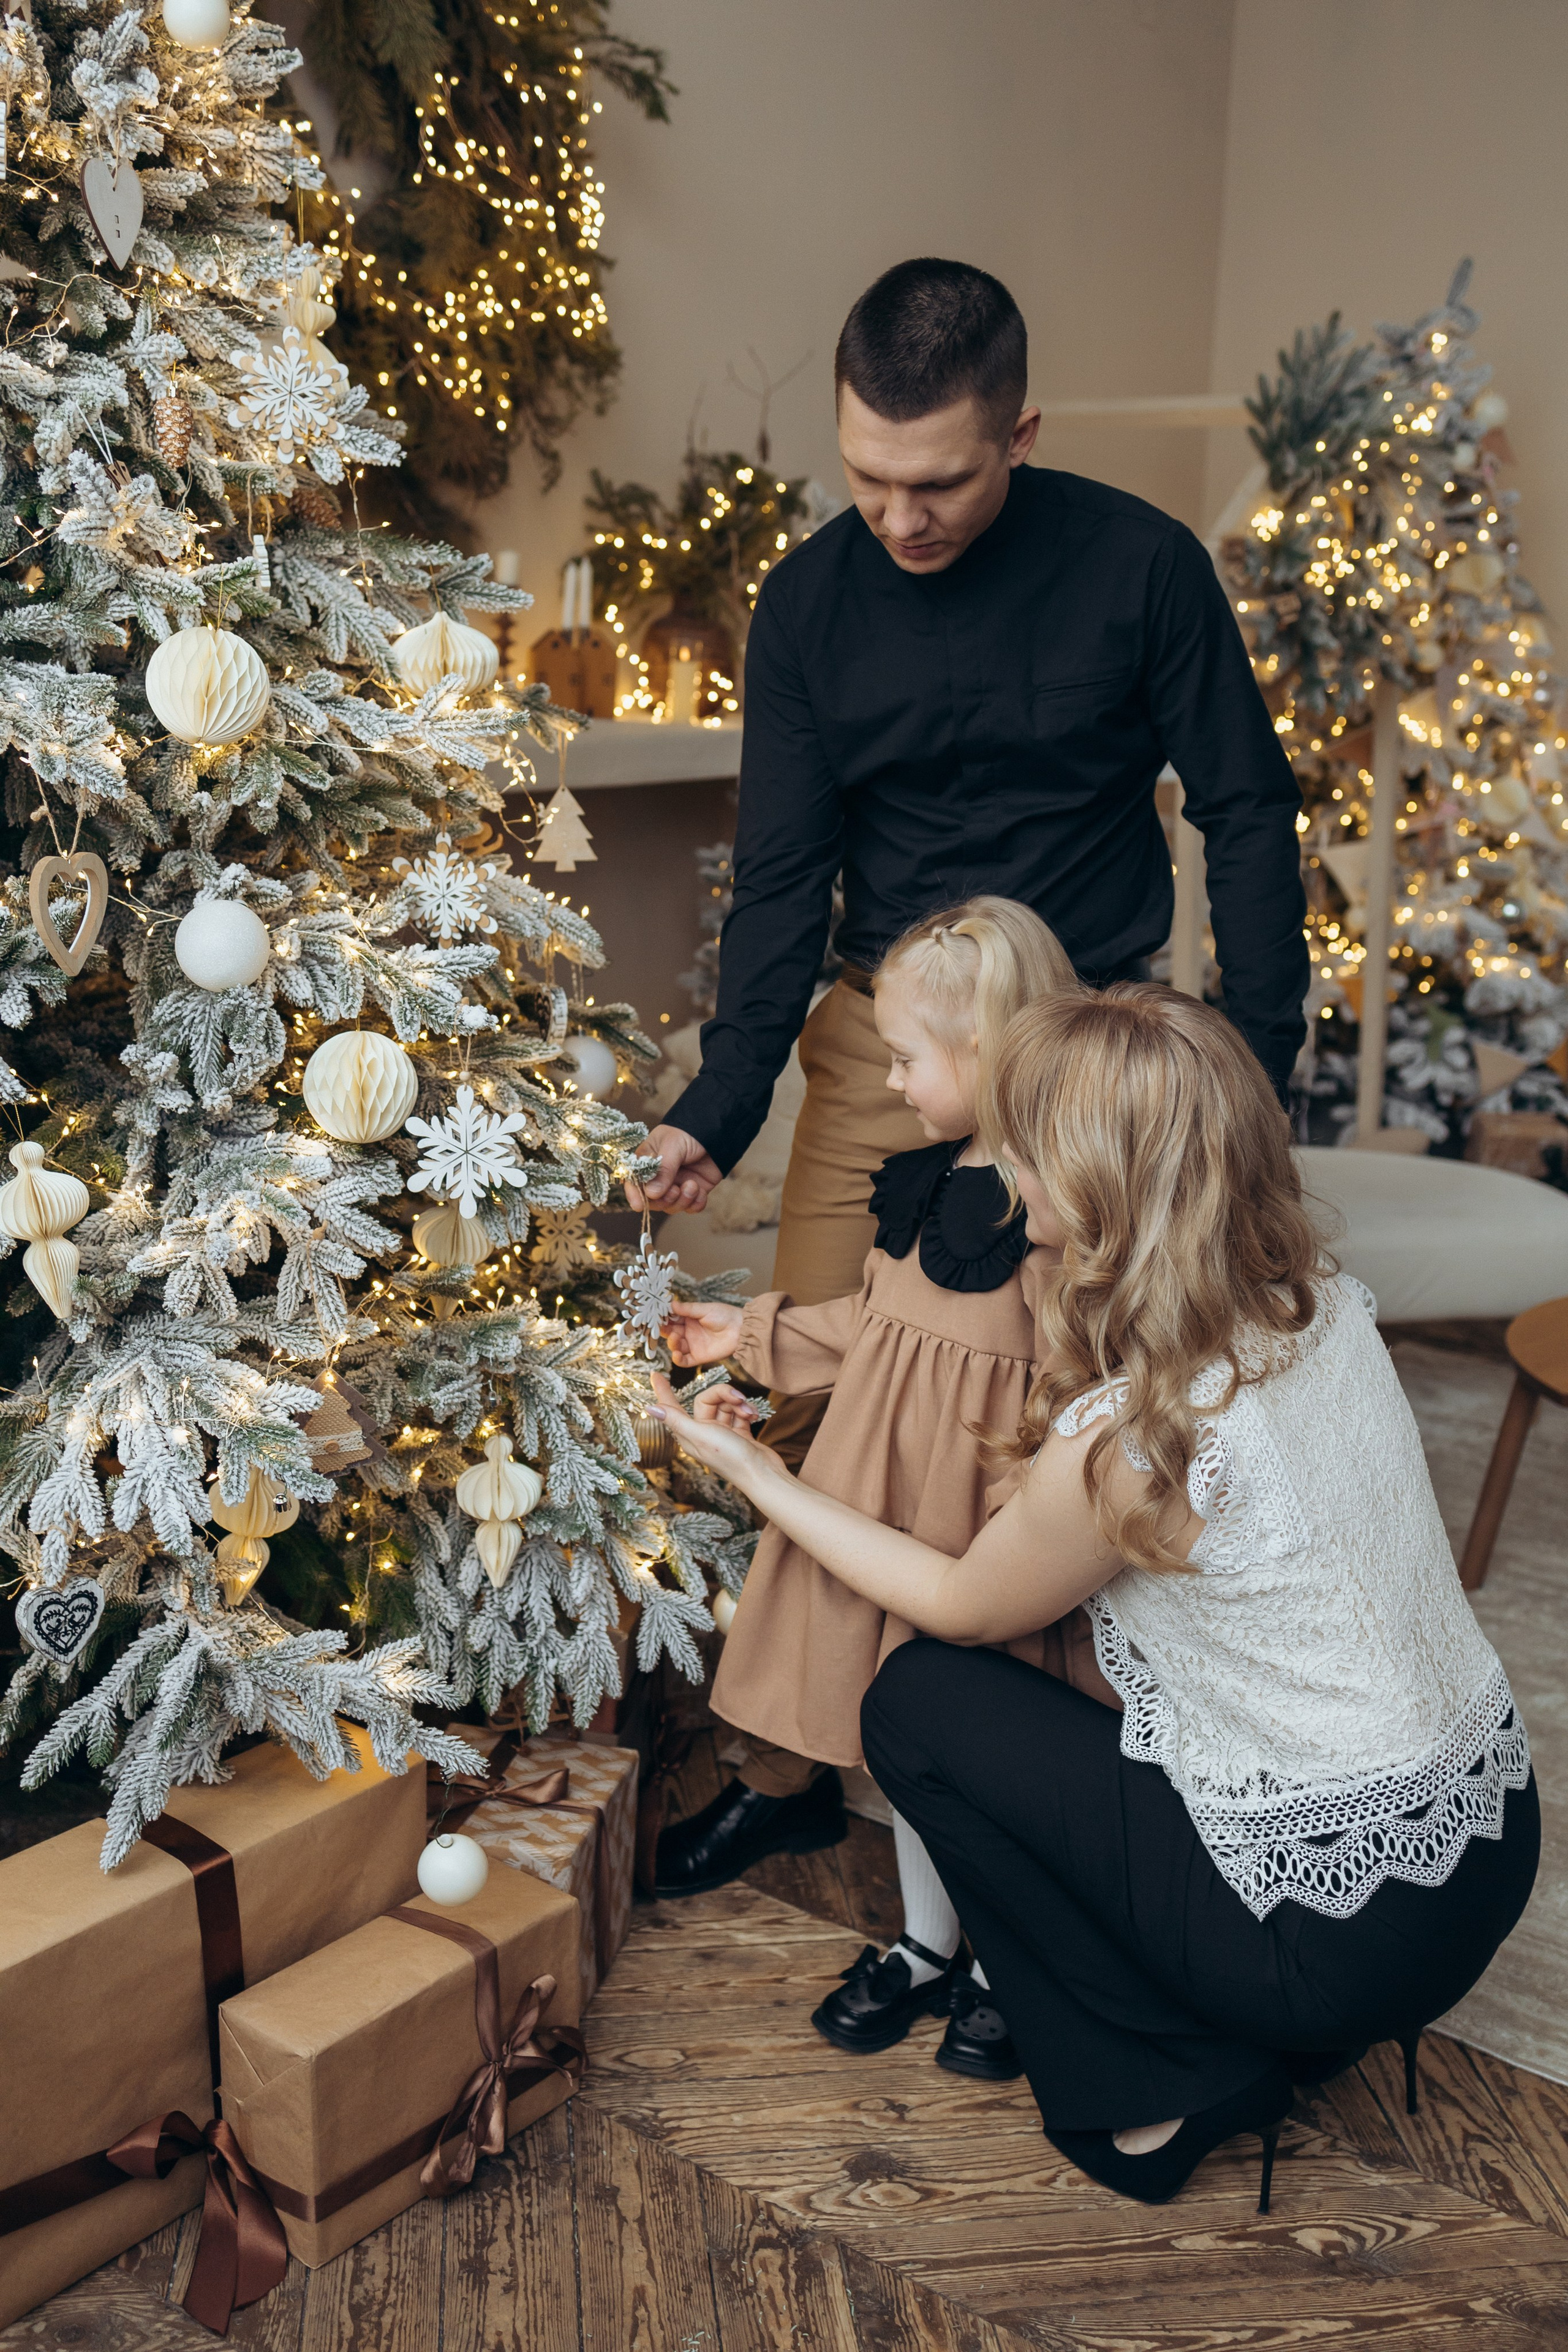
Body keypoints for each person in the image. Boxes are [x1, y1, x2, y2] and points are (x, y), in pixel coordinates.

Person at [647, 986, 1537, 2211]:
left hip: (1339, 1937)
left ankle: (1167, 2082)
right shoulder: (1320, 1304)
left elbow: (961, 1603)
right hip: (1490, 1836)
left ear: (1099, 1183)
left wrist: (758, 1475)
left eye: (1022, 1148)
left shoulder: (1142, 1433)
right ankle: (1264, 2016)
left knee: (917, 1703)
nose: (1000, 1171)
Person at [631, 255, 1307, 1310]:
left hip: (1089, 1051)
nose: (900, 519)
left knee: (1084, 1390)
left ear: (1019, 436)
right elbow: (781, 875)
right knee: (814, 1373)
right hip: (885, 1049)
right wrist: (719, 1106)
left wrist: (1252, 1074)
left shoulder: (1147, 566)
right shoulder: (805, 604)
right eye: (868, 476)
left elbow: (1249, 810)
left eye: (939, 483)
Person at [654, 897, 1118, 2082]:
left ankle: (1006, 1966)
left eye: (908, 1059)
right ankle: (925, 1942)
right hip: (887, 1501)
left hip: (983, 1524)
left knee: (991, 1757)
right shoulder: (923, 1173)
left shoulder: (1062, 1208)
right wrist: (749, 1336)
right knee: (904, 1738)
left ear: (991, 1050)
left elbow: (1088, 1380)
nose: (893, 1080)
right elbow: (880, 1326)